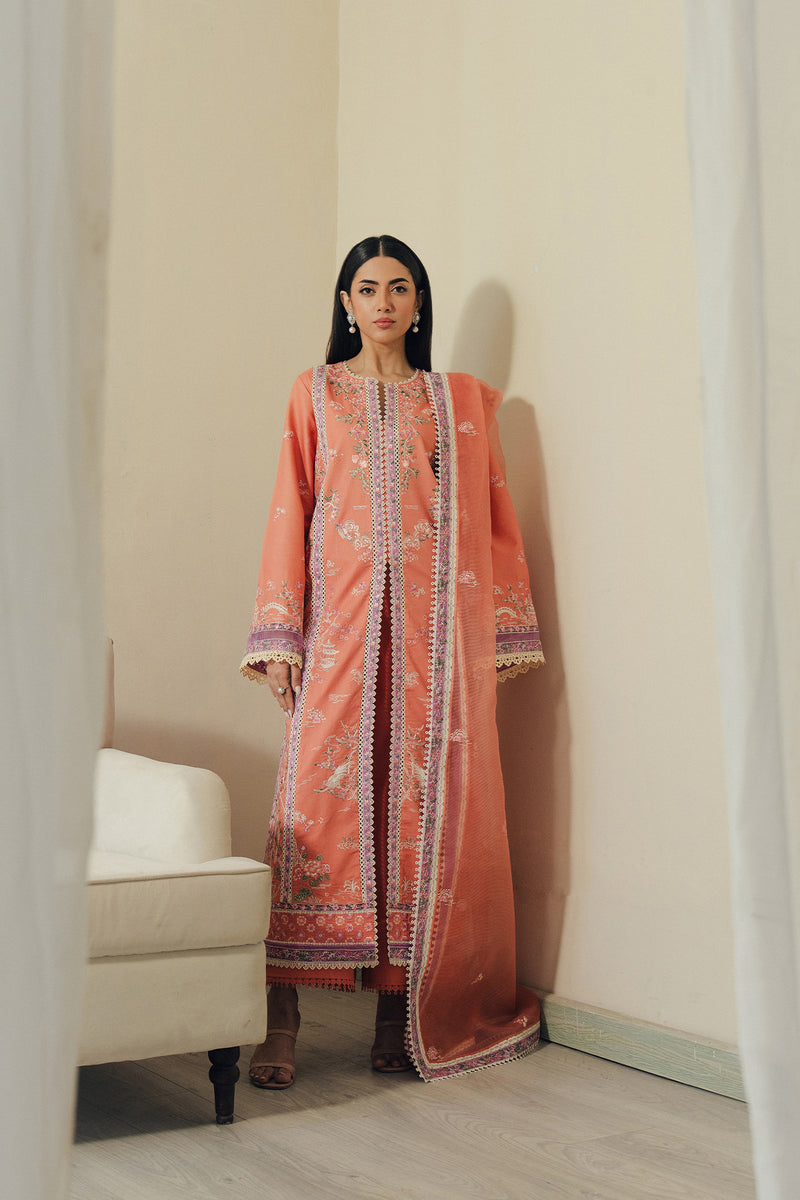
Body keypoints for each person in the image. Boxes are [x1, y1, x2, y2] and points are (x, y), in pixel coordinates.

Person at [241, 235, 544, 1088]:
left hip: (429, 640)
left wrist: (499, 635)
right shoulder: (315, 391)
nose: (383, 302)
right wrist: (280, 635)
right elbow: (290, 509)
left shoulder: (454, 403)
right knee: (313, 807)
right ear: (346, 303)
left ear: (418, 303)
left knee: (415, 817)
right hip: (338, 631)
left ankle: (396, 1015)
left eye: (399, 288)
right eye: (368, 288)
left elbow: (493, 519)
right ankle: (282, 1019)